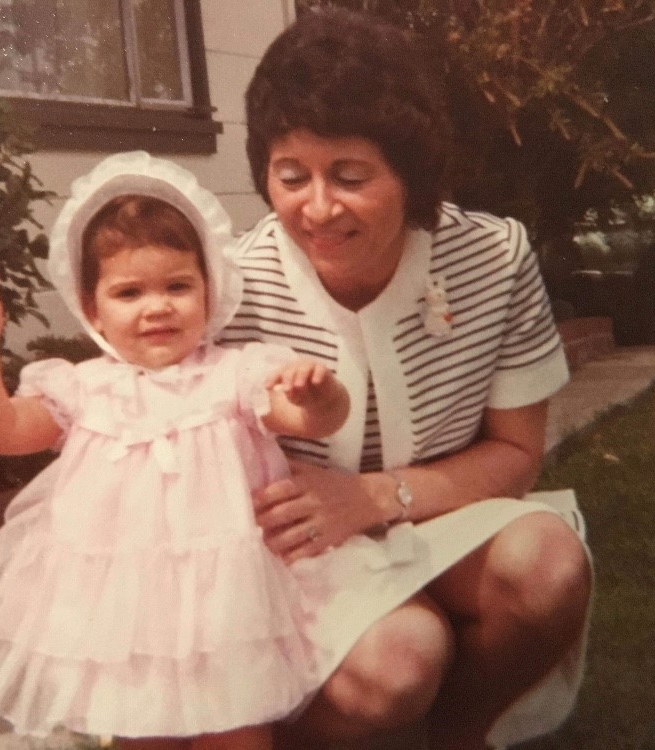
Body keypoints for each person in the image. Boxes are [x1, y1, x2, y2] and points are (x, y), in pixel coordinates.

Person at [215, 7, 596, 750]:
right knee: (397, 666)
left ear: (411, 174)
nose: (316, 208)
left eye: (350, 177)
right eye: (291, 176)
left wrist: (374, 497)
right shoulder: (229, 285)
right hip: (306, 553)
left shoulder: (493, 257)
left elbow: (517, 454)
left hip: (443, 519)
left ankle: (459, 735)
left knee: (548, 567)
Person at [0, 151, 356, 749]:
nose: (157, 306)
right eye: (129, 292)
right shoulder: (83, 389)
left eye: (178, 286)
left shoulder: (235, 374)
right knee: (140, 729)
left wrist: (319, 396)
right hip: (126, 613)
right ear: (93, 310)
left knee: (237, 726)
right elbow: (0, 430)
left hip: (226, 604)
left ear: (210, 291)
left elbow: (309, 420)